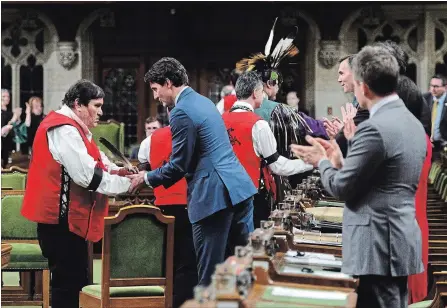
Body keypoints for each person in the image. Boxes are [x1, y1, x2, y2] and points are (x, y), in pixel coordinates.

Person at [291, 46, 425, 308]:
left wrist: (321, 162)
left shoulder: (374, 128)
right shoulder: (411, 122)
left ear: (363, 86)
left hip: (377, 244)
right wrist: (340, 161)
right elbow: (381, 178)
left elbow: (341, 188)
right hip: (398, 238)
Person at [127, 57, 257, 286]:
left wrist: (145, 177)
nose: (156, 96)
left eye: (156, 90)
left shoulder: (181, 111)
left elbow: (179, 166)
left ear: (168, 83)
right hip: (239, 189)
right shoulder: (203, 100)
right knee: (243, 273)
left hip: (214, 197)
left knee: (209, 277)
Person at [21, 80, 135, 308]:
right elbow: (88, 176)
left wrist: (122, 171)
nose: (101, 112)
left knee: (75, 284)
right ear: (78, 104)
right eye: (96, 105)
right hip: (60, 224)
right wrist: (128, 186)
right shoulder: (63, 129)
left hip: (69, 223)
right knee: (68, 289)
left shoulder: (76, 129)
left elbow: (99, 161)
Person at [222, 71, 313, 227]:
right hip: (250, 198)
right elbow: (278, 166)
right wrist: (312, 163)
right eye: (261, 91)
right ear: (256, 93)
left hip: (222, 197)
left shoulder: (220, 119)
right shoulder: (258, 124)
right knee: (249, 246)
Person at [138, 123, 197, 308]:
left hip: (162, 205)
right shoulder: (196, 135)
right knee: (188, 261)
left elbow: (144, 166)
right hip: (189, 204)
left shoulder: (150, 140)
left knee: (168, 259)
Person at [425, 74, 447, 160]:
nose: (433, 89)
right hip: (428, 145)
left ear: (445, 87)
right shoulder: (425, 99)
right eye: (431, 86)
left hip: (443, 145)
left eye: (436, 86)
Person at [1, 89, 23, 168]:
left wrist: (18, 118)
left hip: (8, 146)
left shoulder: (9, 113)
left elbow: (17, 130)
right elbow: (3, 132)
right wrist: (14, 118)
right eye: (3, 96)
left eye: (8, 96)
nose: (6, 98)